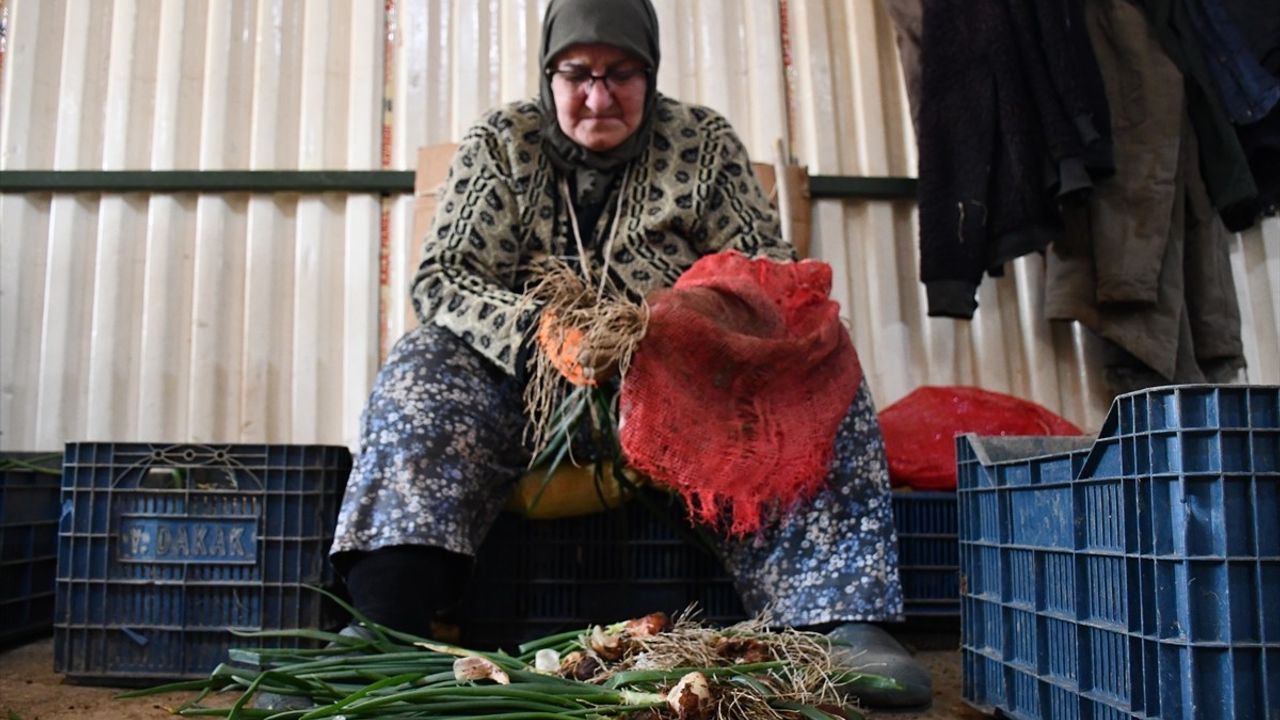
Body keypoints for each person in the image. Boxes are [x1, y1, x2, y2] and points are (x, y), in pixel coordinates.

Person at [329, 0, 931, 709]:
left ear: (651, 72)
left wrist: (686, 322)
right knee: (423, 367)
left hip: (683, 395)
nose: (597, 95)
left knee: (817, 354)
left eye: (622, 73)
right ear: (548, 73)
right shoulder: (504, 142)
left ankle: (840, 620)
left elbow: (769, 273)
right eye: (577, 73)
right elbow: (445, 278)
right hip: (529, 396)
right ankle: (383, 624)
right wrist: (542, 330)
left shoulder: (701, 143)